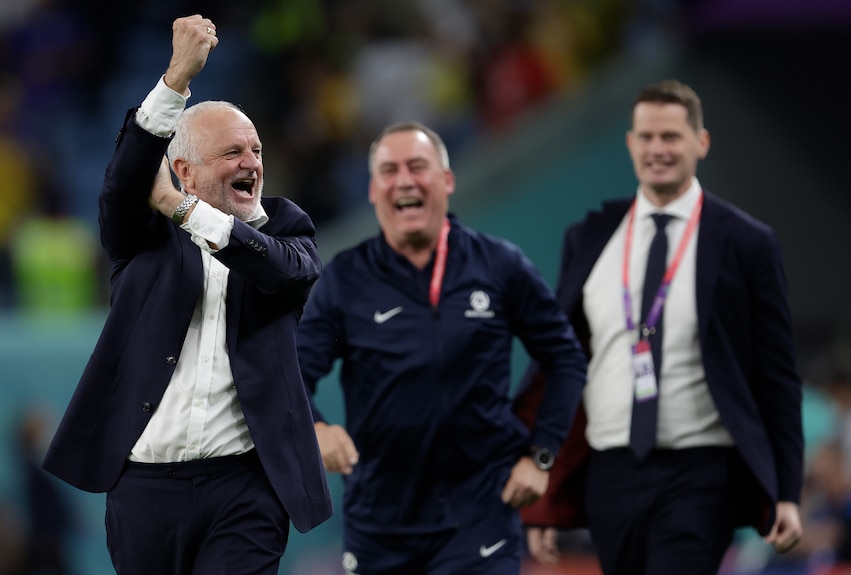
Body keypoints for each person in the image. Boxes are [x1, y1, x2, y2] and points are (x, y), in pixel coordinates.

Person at [42, 15, 332, 575]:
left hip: (245, 487)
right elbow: (126, 182)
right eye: (232, 153)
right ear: (184, 170)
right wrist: (176, 78)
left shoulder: (286, 230)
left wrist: (181, 206)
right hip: (145, 487)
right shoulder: (142, 239)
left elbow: (284, 274)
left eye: (256, 149)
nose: (252, 163)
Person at [516, 79, 805, 574]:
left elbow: (777, 376)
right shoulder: (588, 237)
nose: (658, 150)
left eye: (671, 136)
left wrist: (787, 491)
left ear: (701, 142)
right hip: (609, 473)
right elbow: (561, 367)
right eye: (646, 137)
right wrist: (546, 496)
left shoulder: (747, 243)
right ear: (629, 143)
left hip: (699, 471)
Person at [296, 121, 587, 574]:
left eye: (418, 166)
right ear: (373, 190)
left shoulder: (500, 265)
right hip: (381, 522)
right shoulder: (346, 280)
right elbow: (291, 374)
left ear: (447, 180)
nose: (405, 181)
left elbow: (565, 358)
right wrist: (315, 428)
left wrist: (542, 455)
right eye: (390, 171)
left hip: (481, 512)